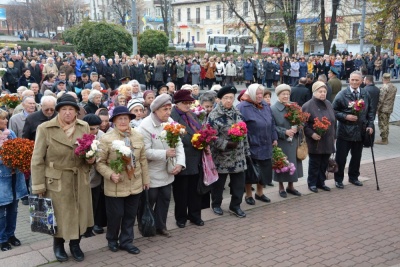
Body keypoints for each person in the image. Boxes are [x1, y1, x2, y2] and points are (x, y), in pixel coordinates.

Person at [31, 94, 95, 262]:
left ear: (76, 112)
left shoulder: (84, 126)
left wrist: (91, 159)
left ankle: (75, 245)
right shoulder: (45, 128)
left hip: (79, 177)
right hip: (56, 180)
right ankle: (58, 245)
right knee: (59, 215)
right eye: (64, 109)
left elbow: (90, 150)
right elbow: (37, 159)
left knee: (79, 213)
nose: (68, 113)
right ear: (58, 111)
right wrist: (38, 185)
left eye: (71, 109)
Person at [96, 106, 149, 254]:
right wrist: (110, 174)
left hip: (135, 183)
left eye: (126, 118)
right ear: (114, 121)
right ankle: (112, 239)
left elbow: (143, 159)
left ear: (130, 120)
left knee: (130, 215)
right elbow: (99, 162)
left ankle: (126, 241)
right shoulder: (106, 139)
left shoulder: (137, 136)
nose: (123, 121)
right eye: (120, 118)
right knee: (116, 215)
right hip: (116, 184)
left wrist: (146, 179)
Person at [137, 94, 185, 237]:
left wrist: (180, 163)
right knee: (150, 198)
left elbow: (178, 145)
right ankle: (145, 224)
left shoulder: (170, 122)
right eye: (165, 109)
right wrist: (164, 153)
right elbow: (144, 152)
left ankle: (161, 225)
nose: (168, 113)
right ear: (156, 110)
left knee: (165, 198)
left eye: (170, 109)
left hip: (167, 170)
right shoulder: (144, 126)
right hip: (152, 171)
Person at [207, 86, 250, 218]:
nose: (229, 100)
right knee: (218, 185)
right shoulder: (214, 115)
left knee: (239, 184)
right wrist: (226, 144)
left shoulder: (238, 113)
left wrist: (247, 151)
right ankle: (216, 204)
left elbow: (245, 133)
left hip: (238, 157)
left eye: (231, 98)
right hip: (221, 157)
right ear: (219, 99)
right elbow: (210, 136)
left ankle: (235, 205)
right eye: (226, 98)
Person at [332, 71, 374, 189]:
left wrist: (370, 125)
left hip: (360, 132)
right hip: (344, 132)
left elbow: (370, 111)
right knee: (341, 158)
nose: (354, 82)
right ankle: (338, 179)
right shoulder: (342, 94)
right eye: (352, 80)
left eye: (357, 80)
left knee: (356, 157)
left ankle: (354, 177)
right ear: (349, 80)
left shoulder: (365, 94)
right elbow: (333, 111)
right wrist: (345, 116)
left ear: (361, 81)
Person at [237, 84, 277, 205]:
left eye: (262, 93)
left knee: (264, 170)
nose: (260, 96)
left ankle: (260, 193)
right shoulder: (242, 107)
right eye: (257, 93)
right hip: (251, 144)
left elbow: (272, 123)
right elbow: (240, 127)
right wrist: (247, 141)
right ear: (251, 93)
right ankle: (248, 194)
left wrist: (274, 137)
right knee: (250, 171)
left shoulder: (265, 105)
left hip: (266, 144)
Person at [170, 90, 203, 228]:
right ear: (177, 103)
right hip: (181, 159)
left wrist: (203, 139)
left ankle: (195, 215)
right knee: (181, 191)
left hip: (195, 158)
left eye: (190, 102)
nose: (188, 105)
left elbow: (200, 130)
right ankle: (181, 217)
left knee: (194, 190)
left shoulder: (193, 115)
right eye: (185, 102)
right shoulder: (172, 117)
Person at [0, 109, 28, 251]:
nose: (5, 121)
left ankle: (11, 235)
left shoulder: (10, 133)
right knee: (1, 212)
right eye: (3, 119)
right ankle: (2, 239)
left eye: (6, 118)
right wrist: (6, 158)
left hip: (14, 177)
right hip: (1, 180)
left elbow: (19, 149)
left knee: (14, 209)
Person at [302, 81, 336, 193]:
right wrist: (312, 134)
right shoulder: (308, 105)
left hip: (328, 140)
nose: (323, 93)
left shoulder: (328, 103)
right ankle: (312, 183)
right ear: (314, 92)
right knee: (315, 163)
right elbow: (303, 124)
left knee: (324, 163)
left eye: (324, 91)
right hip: (315, 141)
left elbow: (333, 121)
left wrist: (334, 136)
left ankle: (321, 182)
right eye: (320, 91)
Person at [271, 84, 304, 198]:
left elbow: (301, 121)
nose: (286, 96)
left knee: (293, 163)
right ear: (278, 95)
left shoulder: (293, 106)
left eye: (287, 94)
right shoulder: (273, 109)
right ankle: (281, 187)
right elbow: (272, 126)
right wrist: (284, 131)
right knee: (281, 163)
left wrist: (299, 126)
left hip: (293, 140)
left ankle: (291, 186)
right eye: (283, 94)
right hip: (282, 141)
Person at [81, 114, 106, 237]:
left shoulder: (102, 136)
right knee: (84, 205)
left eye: (97, 128)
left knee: (94, 203)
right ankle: (84, 228)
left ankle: (91, 227)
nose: (95, 131)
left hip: (96, 179)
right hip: (83, 179)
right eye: (92, 128)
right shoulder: (81, 137)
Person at [375, 73, 397, 145]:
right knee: (386, 123)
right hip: (389, 108)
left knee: (382, 124)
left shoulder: (384, 87)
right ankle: (385, 138)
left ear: (383, 79)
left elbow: (381, 99)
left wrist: (377, 109)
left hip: (383, 109)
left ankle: (384, 139)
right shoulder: (394, 87)